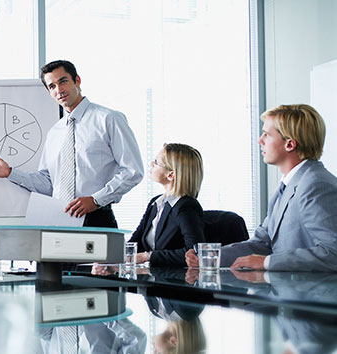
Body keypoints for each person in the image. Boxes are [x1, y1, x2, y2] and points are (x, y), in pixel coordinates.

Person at [0, 59, 143, 227]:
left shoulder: (108, 119)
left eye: (63, 81)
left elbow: (133, 171)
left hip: (96, 216)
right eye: (52, 86)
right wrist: (10, 173)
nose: (59, 90)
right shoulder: (55, 132)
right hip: (59, 218)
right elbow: (49, 183)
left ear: (77, 80)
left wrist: (96, 200)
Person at [186, 104, 337, 271]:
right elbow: (262, 243)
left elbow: (333, 252)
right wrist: (211, 257)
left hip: (309, 295)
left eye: (267, 134)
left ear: (290, 144)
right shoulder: (288, 186)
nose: (260, 140)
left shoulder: (315, 185)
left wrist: (266, 262)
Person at [127, 143, 204, 266]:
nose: (151, 164)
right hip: (149, 276)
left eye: (156, 162)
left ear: (171, 175)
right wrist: (109, 259)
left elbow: (194, 253)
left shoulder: (186, 206)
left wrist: (147, 256)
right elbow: (134, 244)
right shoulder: (155, 203)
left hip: (173, 280)